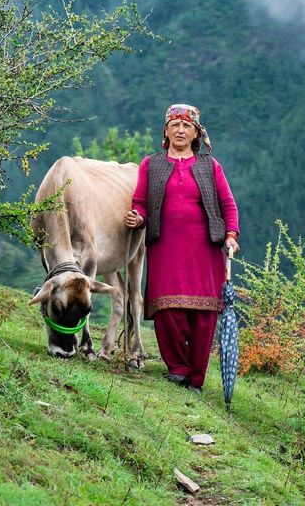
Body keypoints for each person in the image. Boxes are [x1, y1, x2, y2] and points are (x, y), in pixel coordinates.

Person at [123, 103, 239, 393]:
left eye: (187, 125)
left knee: (203, 315)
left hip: (205, 249)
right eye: (174, 124)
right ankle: (178, 368)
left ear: (197, 133)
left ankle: (197, 378)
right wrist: (138, 217)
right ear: (165, 130)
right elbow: (140, 202)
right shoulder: (151, 164)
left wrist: (231, 234)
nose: (180, 130)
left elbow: (228, 204)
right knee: (168, 309)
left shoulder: (210, 166)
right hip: (165, 247)